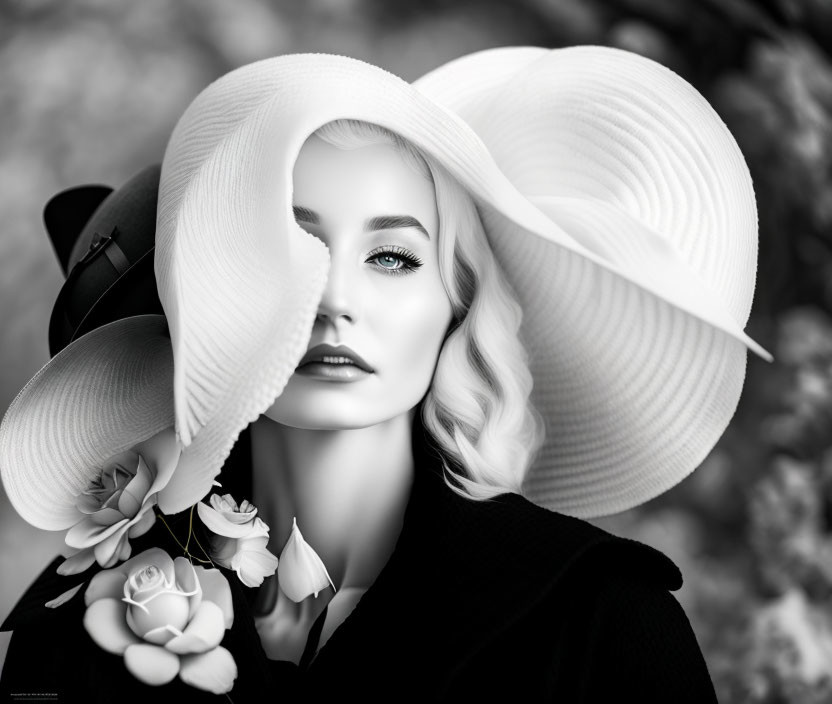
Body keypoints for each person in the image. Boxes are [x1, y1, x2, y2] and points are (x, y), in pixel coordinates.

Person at [0, 46, 771, 702]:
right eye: (291, 244)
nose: (335, 299)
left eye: (393, 258)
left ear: (458, 304)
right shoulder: (78, 622)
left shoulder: (604, 624)